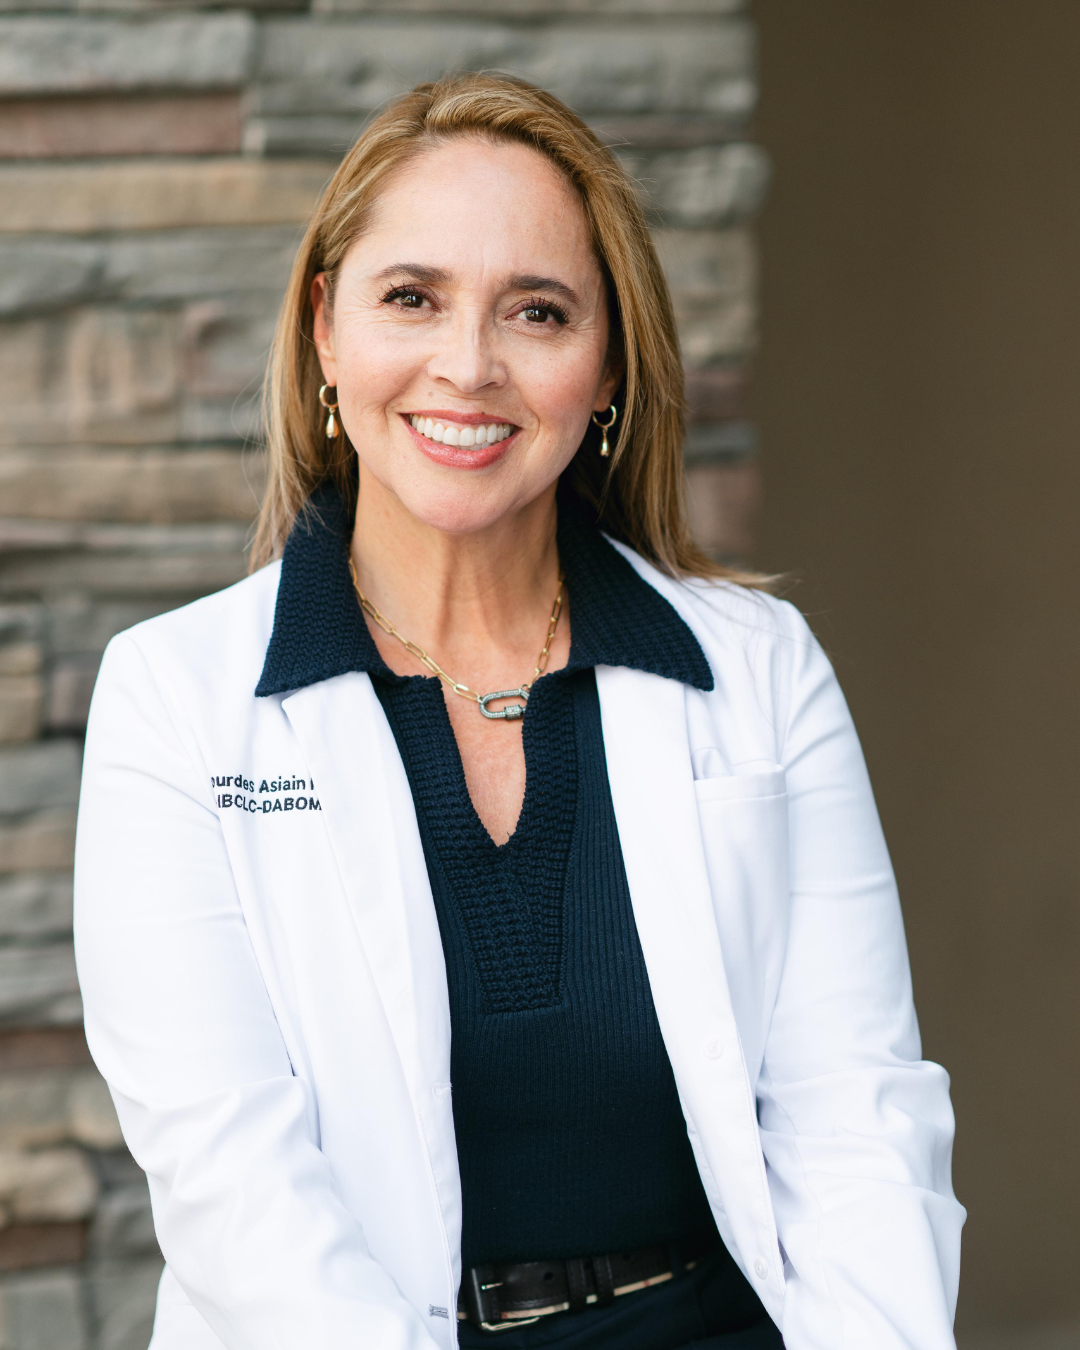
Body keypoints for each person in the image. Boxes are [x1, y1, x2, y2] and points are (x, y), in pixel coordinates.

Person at [73, 73, 964, 1350]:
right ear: (326, 330)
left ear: (605, 368)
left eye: (537, 311)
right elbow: (235, 1194)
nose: (469, 366)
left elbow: (858, 1116)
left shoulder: (761, 673)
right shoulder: (175, 703)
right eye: (412, 299)